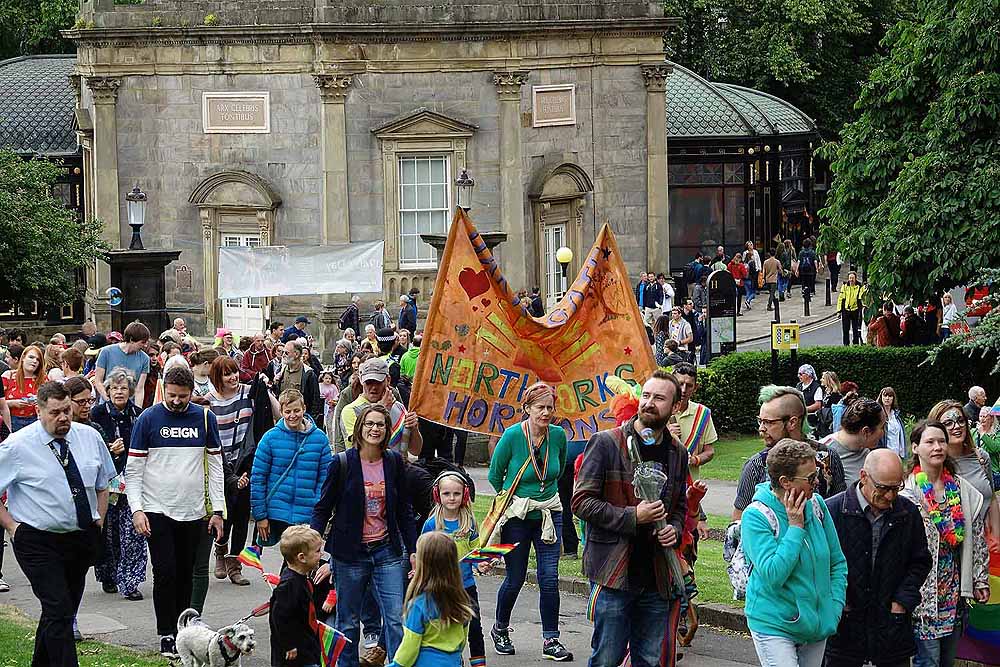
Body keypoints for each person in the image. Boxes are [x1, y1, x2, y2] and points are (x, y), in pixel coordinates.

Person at [572, 370, 689, 667]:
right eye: (646, 395)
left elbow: (679, 506)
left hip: (657, 577)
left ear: (676, 407)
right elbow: (581, 502)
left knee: (649, 661)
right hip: (613, 573)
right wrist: (632, 516)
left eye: (659, 398)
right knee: (607, 660)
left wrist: (674, 530)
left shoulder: (678, 452)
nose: (649, 403)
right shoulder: (606, 443)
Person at [0, 381, 116, 667]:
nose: (63, 417)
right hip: (36, 539)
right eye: (55, 412)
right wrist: (13, 527)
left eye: (67, 410)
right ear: (39, 411)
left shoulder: (89, 437)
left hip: (79, 537)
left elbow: (104, 484)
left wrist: (98, 520)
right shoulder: (16, 446)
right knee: (58, 608)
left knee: (60, 612)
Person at [125, 366, 225, 659]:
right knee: (165, 572)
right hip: (157, 509)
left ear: (192, 392)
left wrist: (217, 510)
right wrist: (137, 509)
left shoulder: (205, 418)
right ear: (163, 390)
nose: (177, 401)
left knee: (185, 574)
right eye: (172, 396)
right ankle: (166, 632)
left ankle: (183, 631)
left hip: (193, 511)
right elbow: (133, 470)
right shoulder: (148, 419)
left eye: (183, 396)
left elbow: (216, 467)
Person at [311, 404, 417, 667]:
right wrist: (313, 543)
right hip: (349, 554)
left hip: (386, 551)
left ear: (387, 429)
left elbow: (404, 509)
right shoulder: (342, 462)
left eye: (380, 424)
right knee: (347, 620)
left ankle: (397, 663)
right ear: (359, 428)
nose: (375, 429)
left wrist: (413, 550)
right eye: (369, 424)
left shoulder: (393, 462)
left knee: (394, 618)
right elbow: (323, 507)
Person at [742, 439, 847, 667]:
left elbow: (837, 562)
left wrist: (834, 606)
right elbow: (773, 574)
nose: (817, 481)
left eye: (816, 473)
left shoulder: (817, 505)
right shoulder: (756, 516)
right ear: (785, 482)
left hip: (816, 623)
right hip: (774, 624)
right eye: (810, 478)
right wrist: (795, 527)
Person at [824, 450, 932, 667]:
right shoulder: (832, 511)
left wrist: (901, 602)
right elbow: (820, 565)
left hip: (892, 628)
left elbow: (920, 562)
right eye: (883, 488)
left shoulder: (907, 512)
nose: (891, 496)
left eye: (896, 488)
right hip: (844, 629)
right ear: (864, 477)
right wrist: (838, 601)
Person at [487, 382, 571, 661]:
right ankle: (500, 629)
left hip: (549, 513)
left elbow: (556, 471)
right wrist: (517, 499)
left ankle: (551, 640)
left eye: (550, 407)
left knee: (549, 579)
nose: (546, 413)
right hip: (518, 517)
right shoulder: (512, 436)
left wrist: (542, 494)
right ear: (527, 409)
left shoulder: (558, 436)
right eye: (540, 407)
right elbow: (494, 476)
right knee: (515, 578)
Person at [901, 421, 990, 667]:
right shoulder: (906, 492)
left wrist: (980, 579)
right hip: (923, 593)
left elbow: (977, 537)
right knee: (928, 660)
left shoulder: (962, 489)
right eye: (930, 442)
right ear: (916, 447)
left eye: (941, 441)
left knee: (947, 661)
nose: (938, 447)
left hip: (953, 590)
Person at [209, 355, 279, 585]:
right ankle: (220, 549)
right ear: (217, 378)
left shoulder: (249, 392)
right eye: (226, 374)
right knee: (223, 512)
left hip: (245, 460)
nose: (233, 377)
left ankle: (234, 563)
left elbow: (274, 411)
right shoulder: (210, 401)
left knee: (240, 514)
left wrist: (266, 392)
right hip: (219, 464)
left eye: (234, 372)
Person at [733, 385, 847, 520]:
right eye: (760, 421)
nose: (761, 429)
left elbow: (840, 511)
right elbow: (739, 521)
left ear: (792, 422)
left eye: (768, 422)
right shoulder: (756, 465)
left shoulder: (829, 457)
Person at [251, 388, 331, 554]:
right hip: (276, 511)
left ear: (304, 408)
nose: (292, 415)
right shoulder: (270, 438)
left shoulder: (320, 439)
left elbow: (325, 479)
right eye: (287, 412)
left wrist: (316, 506)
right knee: (290, 562)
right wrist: (260, 515)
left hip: (307, 512)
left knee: (300, 562)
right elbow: (258, 478)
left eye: (296, 410)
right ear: (281, 412)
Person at [90, 369, 147, 601]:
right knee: (108, 532)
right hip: (107, 483)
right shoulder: (97, 414)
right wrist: (108, 449)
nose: (119, 392)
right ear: (108, 390)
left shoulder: (139, 415)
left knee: (132, 532)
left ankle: (130, 581)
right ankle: (109, 575)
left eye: (124, 388)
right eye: (115, 388)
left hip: (133, 480)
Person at [420, 473, 485, 667]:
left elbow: (476, 551)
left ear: (464, 494)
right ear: (437, 494)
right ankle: (453, 659)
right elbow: (423, 552)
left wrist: (481, 563)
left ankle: (479, 662)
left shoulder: (470, 522)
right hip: (440, 587)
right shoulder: (432, 524)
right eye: (446, 493)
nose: (451, 498)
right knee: (446, 627)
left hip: (466, 586)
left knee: (473, 626)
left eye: (456, 493)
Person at [389, 531, 474, 667]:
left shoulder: (418, 606)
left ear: (423, 565)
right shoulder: (461, 601)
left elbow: (408, 651)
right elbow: (461, 642)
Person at [928, 400, 1000, 536]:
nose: (957, 426)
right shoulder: (933, 464)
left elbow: (992, 499)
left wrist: (997, 535)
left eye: (961, 420)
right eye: (948, 423)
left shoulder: (981, 457)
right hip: (950, 547)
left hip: (984, 544)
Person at [341, 357, 422, 455]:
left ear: (388, 380)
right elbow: (362, 449)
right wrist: (382, 410)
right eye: (369, 382)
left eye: (378, 382)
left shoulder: (398, 406)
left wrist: (414, 429)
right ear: (362, 381)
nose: (373, 387)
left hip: (399, 468)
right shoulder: (351, 410)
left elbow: (415, 451)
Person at [270, 525, 325, 667]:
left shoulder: (301, 579)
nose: (322, 554)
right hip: (295, 653)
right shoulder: (290, 585)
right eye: (318, 551)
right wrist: (289, 645)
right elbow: (279, 618)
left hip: (307, 647)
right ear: (302, 557)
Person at [822, 398, 887, 488]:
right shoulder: (823, 454)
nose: (884, 433)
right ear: (866, 432)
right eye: (882, 427)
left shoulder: (867, 450)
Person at [670, 362, 718, 483]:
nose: (683, 390)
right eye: (680, 384)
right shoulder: (659, 410)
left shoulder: (703, 414)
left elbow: (709, 451)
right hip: (663, 482)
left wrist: (694, 460)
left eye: (689, 385)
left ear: (695, 387)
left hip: (690, 484)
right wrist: (666, 434)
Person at [270, 339, 324, 428]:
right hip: (284, 419)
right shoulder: (281, 370)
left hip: (301, 420)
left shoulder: (308, 374)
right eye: (283, 352)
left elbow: (315, 401)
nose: (283, 355)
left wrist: (311, 422)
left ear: (296, 354)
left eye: (286, 353)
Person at [94, 321, 151, 407]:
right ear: (132, 340)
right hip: (107, 405)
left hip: (129, 407)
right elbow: (98, 380)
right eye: (142, 342)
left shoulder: (145, 359)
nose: (146, 345)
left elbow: (139, 388)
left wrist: (137, 411)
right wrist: (109, 400)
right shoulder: (106, 352)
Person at [4, 343, 43, 431]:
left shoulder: (43, 379)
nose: (34, 361)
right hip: (12, 421)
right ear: (23, 358)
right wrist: (12, 403)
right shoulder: (8, 376)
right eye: (31, 357)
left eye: (38, 359)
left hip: (36, 422)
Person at [878, 387, 907, 459]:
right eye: (885, 395)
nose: (887, 398)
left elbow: (900, 435)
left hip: (897, 453)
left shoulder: (896, 415)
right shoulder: (878, 415)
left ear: (893, 398)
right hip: (884, 454)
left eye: (890, 396)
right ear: (881, 397)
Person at [837, 272, 865, 345]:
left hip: (855, 310)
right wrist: (839, 311)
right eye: (850, 278)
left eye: (853, 278)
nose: (851, 280)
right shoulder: (845, 286)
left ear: (855, 278)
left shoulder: (860, 287)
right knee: (845, 330)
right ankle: (846, 345)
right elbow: (841, 298)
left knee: (855, 329)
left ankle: (855, 344)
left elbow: (862, 299)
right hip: (846, 310)